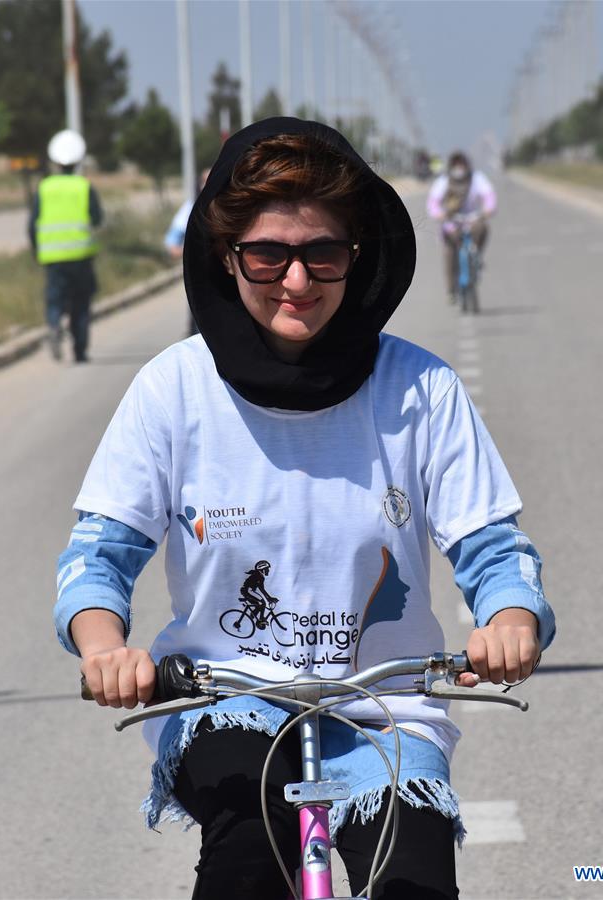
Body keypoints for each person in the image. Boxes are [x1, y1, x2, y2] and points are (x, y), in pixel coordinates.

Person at [53, 118, 555, 900]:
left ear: (358, 256)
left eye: (323, 253)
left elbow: (494, 548)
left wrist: (513, 619)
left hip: (384, 707)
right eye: (267, 255)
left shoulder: (420, 390)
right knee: (249, 856)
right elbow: (98, 556)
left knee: (413, 880)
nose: (297, 281)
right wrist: (102, 648)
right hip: (226, 702)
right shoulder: (174, 389)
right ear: (226, 257)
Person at [28, 129, 103, 363]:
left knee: (55, 298)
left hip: (53, 257)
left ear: (55, 162)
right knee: (81, 303)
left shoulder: (44, 187)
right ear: (78, 160)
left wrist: (36, 251)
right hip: (80, 255)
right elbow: (97, 218)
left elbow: (32, 224)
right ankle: (79, 351)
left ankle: (53, 324)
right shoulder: (83, 186)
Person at [427, 152, 496, 304]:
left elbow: (489, 195)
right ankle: (451, 291)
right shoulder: (443, 182)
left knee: (482, 228)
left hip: (473, 219)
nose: (459, 168)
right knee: (449, 254)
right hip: (451, 222)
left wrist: (488, 210)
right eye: (456, 165)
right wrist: (440, 215)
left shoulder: (477, 179)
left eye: (461, 164)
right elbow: (433, 203)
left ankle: (476, 255)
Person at [164, 168, 210, 337]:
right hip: (200, 275)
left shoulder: (232, 207)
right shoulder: (191, 208)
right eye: (204, 180)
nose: (208, 184)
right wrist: (189, 251)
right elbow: (171, 241)